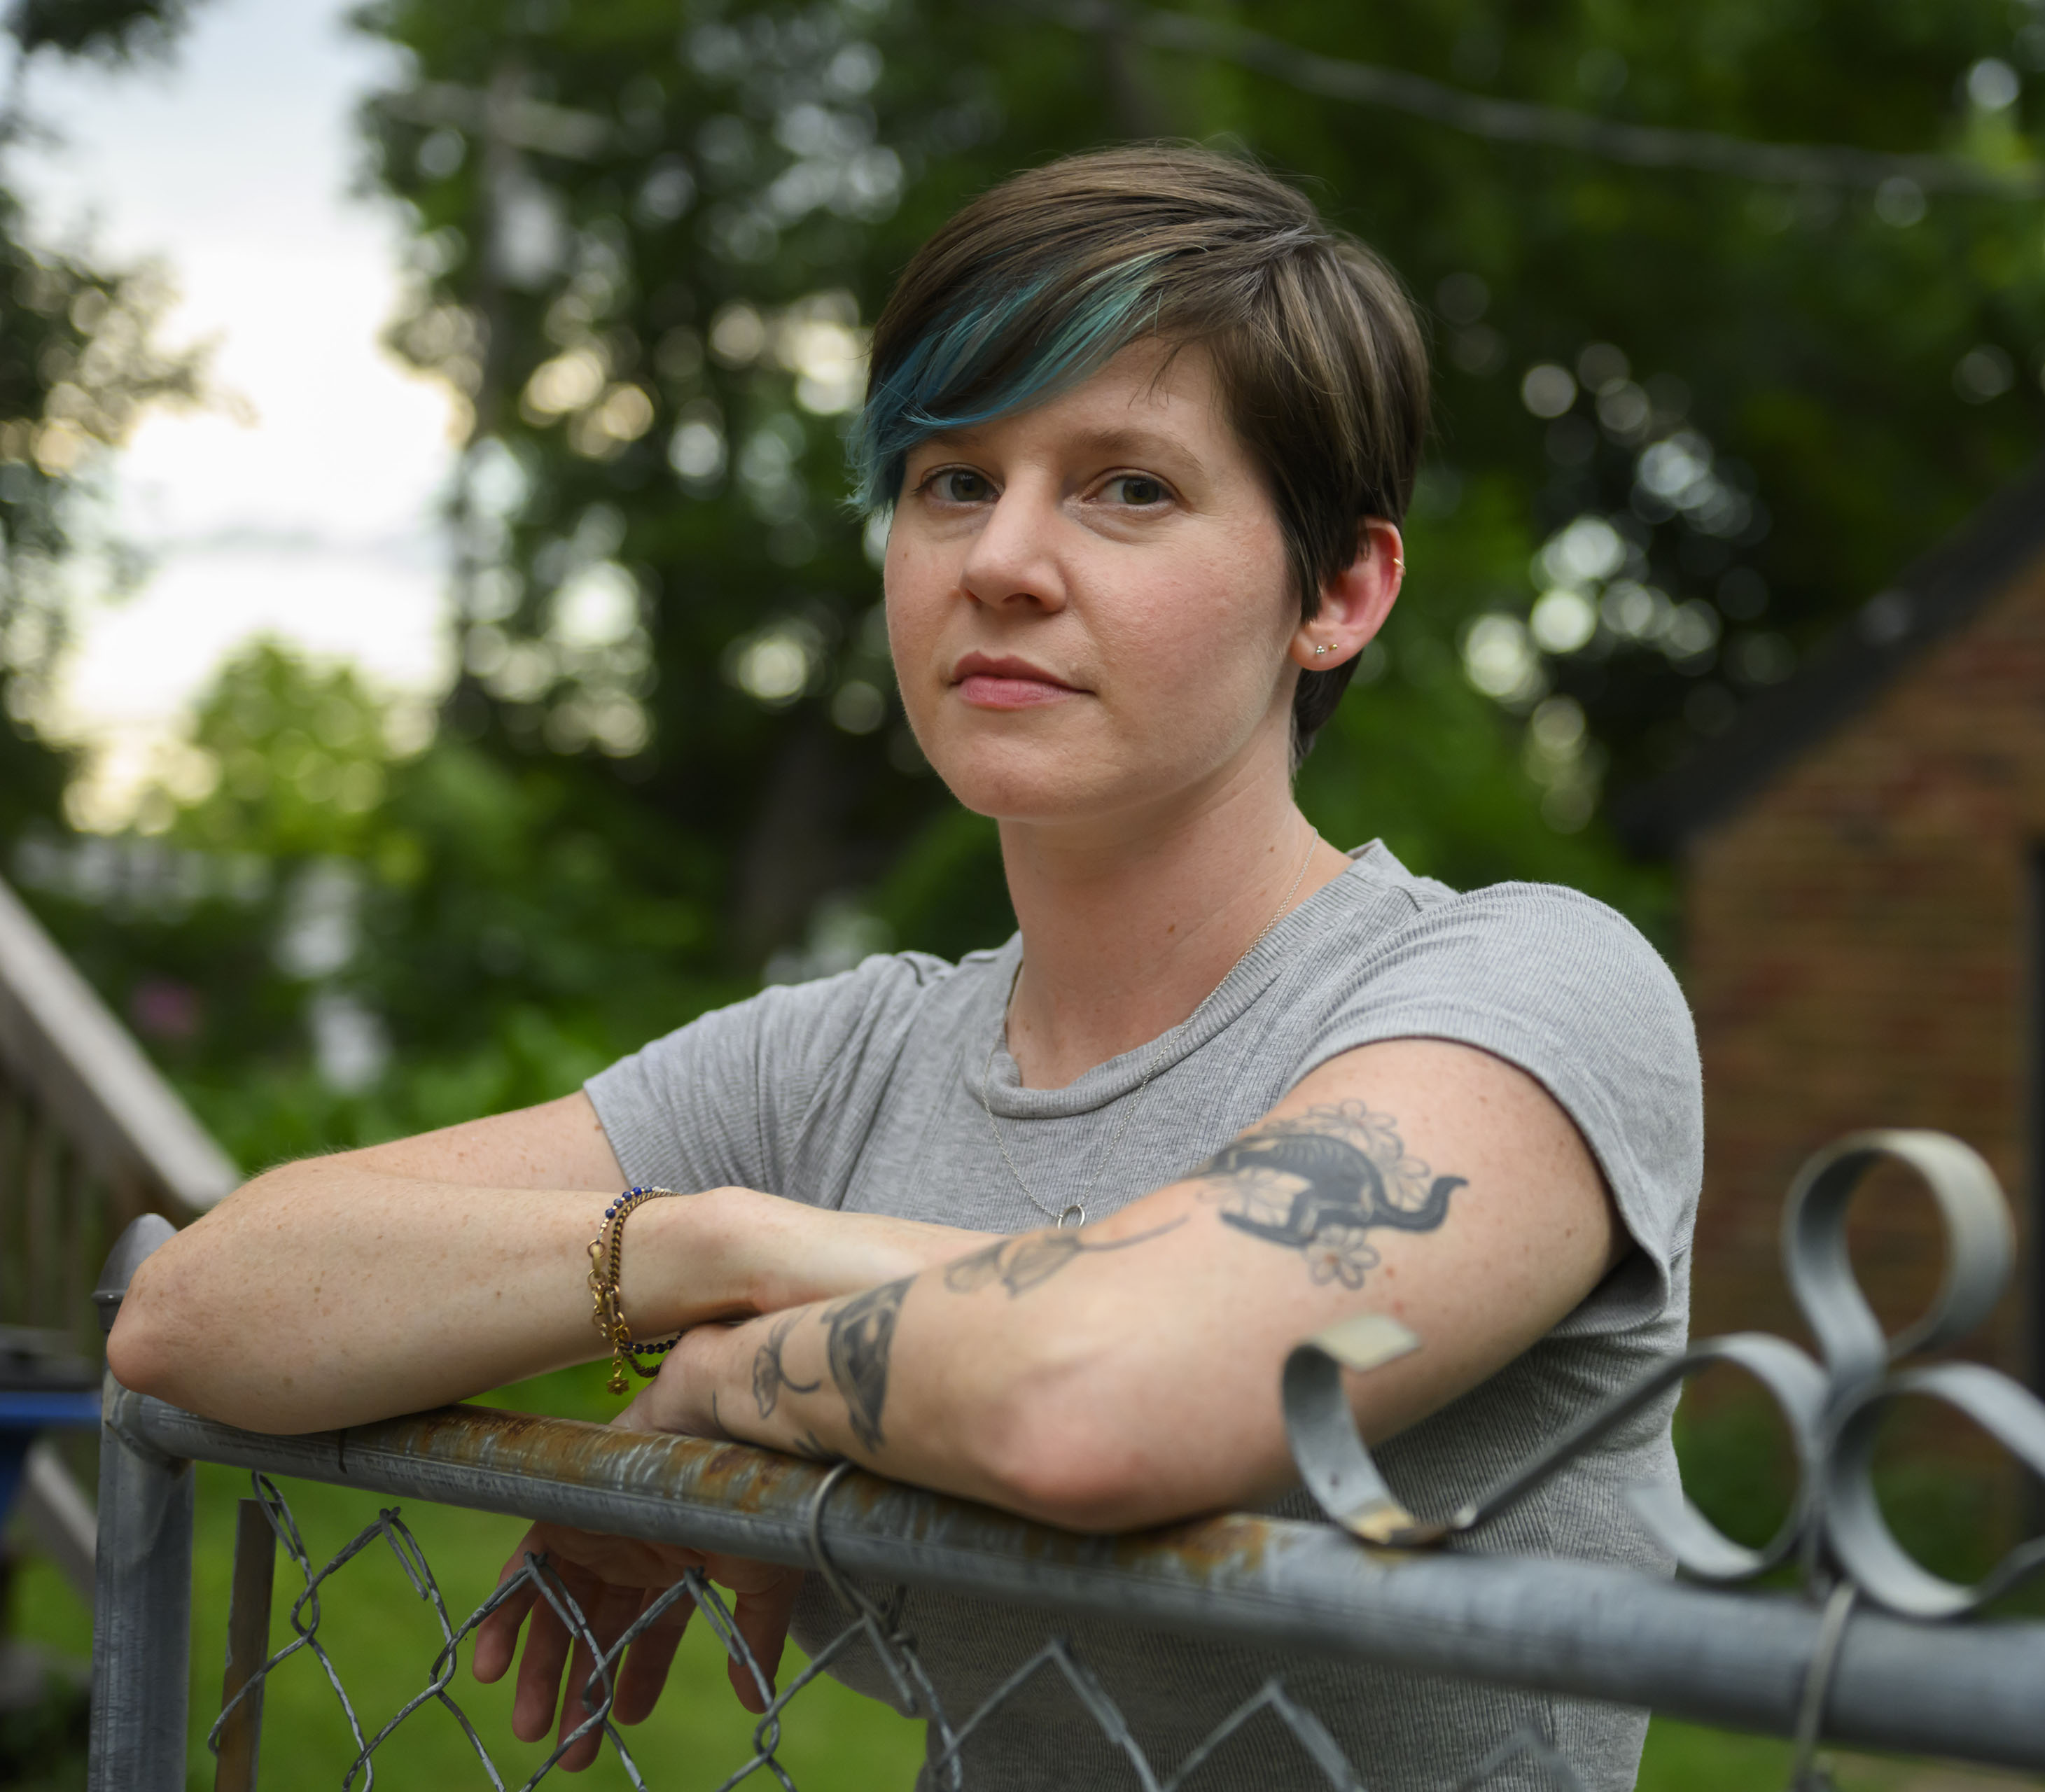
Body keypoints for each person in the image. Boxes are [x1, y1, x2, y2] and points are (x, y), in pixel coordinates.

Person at [107, 144, 1701, 1789]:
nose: (1000, 559)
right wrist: (705, 1242)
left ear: (1341, 590)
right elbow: (194, 1310)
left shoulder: (1525, 994)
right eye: (953, 479)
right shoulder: (851, 1060)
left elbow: (1102, 1401)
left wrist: (734, 1371)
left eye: (1127, 487)